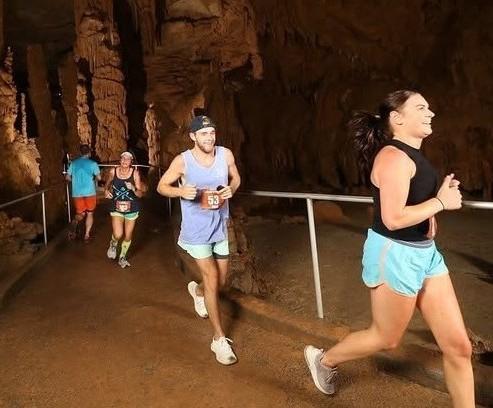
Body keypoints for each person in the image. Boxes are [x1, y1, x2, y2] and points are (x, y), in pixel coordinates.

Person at [304, 90, 475, 407]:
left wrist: (433, 208)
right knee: (387, 337)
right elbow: (393, 218)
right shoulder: (393, 157)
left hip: (426, 253)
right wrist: (440, 202)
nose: (431, 113)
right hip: (394, 254)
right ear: (397, 118)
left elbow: (411, 204)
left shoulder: (414, 156)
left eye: (429, 106)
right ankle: (324, 360)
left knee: (459, 347)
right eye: (421, 107)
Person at [157, 115, 241, 365]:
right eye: (204, 134)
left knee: (222, 281)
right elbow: (162, 186)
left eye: (212, 133)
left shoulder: (225, 155)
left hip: (219, 227)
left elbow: (236, 178)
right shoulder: (183, 161)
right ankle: (219, 339)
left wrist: (231, 189)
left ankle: (198, 292)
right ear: (193, 136)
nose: (209, 138)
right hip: (196, 231)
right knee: (213, 277)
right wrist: (181, 191)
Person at [104, 151, 144, 268]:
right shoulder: (113, 171)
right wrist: (106, 190)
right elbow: (108, 183)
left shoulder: (135, 173)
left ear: (131, 162)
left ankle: (122, 256)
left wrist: (133, 188)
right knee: (118, 233)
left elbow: (140, 194)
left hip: (132, 208)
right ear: (120, 160)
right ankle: (113, 244)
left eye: (128, 159)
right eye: (123, 158)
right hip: (116, 207)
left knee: (128, 235)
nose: (125, 161)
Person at [66, 144, 101, 242]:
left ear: (80, 152)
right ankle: (86, 235)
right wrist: (94, 177)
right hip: (89, 192)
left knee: (80, 213)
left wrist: (76, 180)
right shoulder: (93, 164)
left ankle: (75, 221)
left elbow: (67, 177)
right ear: (89, 152)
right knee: (90, 213)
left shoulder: (73, 163)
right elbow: (99, 178)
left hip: (77, 193)